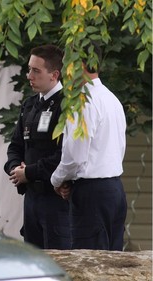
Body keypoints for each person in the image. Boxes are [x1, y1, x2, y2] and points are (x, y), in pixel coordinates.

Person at [50, 43, 127, 250]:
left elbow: (75, 156)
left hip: (91, 194)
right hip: (115, 190)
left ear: (81, 64)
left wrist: (57, 179)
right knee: (112, 266)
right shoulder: (112, 99)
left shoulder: (81, 101)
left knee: (90, 266)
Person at [4, 45, 70, 249]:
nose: (29, 75)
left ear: (54, 74)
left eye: (36, 70)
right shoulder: (30, 104)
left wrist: (29, 172)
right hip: (31, 198)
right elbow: (15, 146)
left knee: (59, 263)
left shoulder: (67, 104)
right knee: (33, 262)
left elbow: (64, 155)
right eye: (29, 69)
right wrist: (15, 169)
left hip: (56, 198)